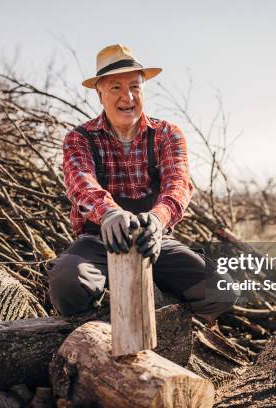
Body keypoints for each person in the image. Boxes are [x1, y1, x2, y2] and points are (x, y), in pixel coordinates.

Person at [48, 44, 238, 322]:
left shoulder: (167, 134)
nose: (128, 97)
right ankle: (92, 329)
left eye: (135, 87)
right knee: (67, 280)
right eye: (115, 88)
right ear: (99, 94)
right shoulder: (79, 138)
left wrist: (158, 220)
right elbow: (81, 183)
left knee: (221, 290)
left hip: (154, 239)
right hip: (99, 240)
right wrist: (109, 213)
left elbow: (178, 185)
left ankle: (166, 318)